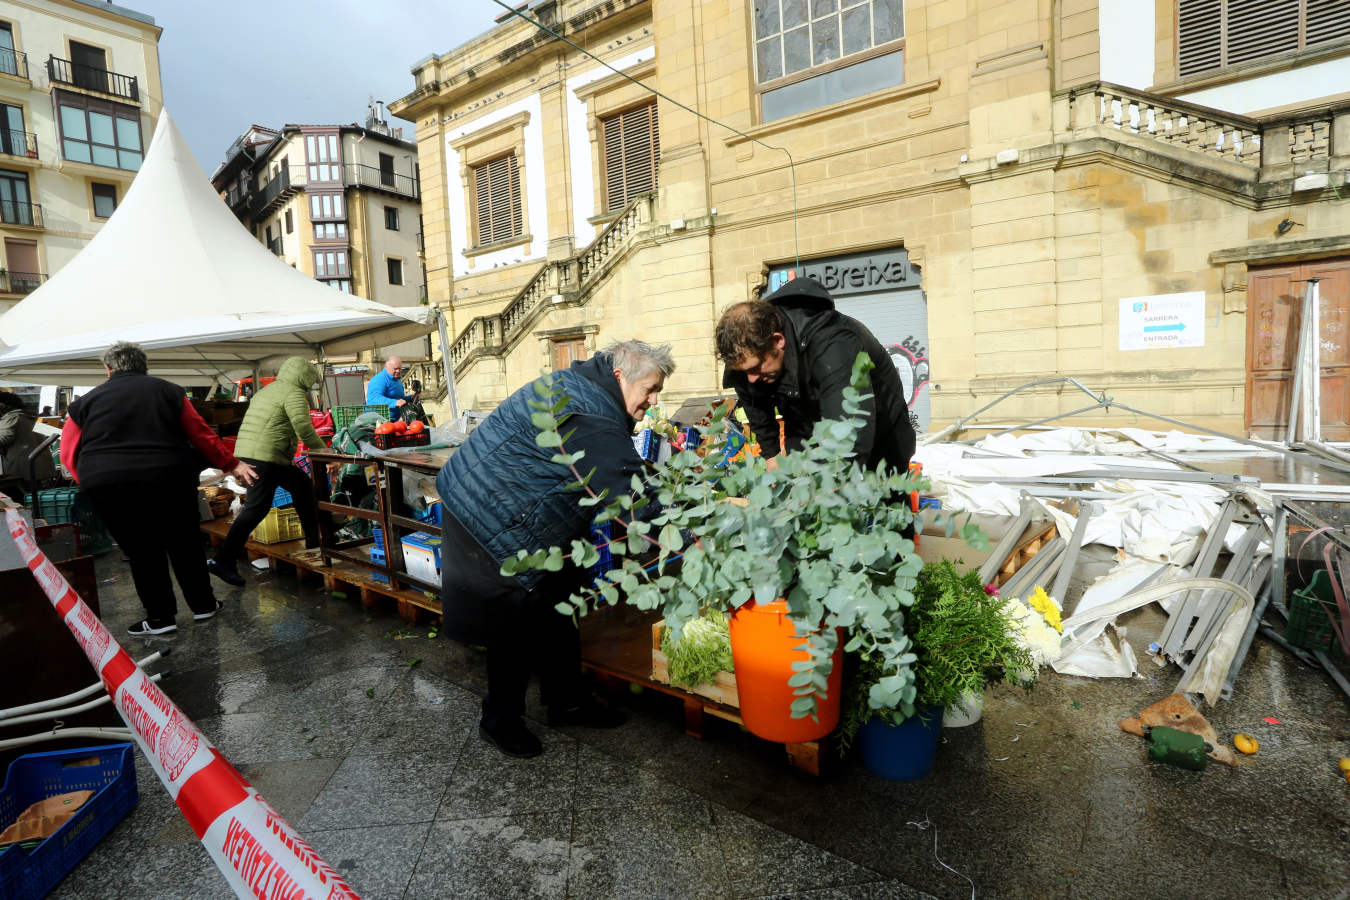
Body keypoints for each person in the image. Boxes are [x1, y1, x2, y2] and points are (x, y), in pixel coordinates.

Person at [436, 340, 673, 758]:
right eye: (650, 389)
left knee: (562, 594)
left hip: (509, 500)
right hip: (490, 512)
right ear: (621, 377)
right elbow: (631, 501)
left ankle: (567, 700)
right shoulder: (591, 413)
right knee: (513, 614)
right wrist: (691, 533)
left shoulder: (585, 385)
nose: (653, 402)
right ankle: (499, 720)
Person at [60, 342, 258, 636]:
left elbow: (67, 452)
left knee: (141, 551)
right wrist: (230, 463)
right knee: (185, 543)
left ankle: (160, 619)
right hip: (169, 478)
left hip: (109, 484)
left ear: (108, 368)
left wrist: (91, 481)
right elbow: (200, 433)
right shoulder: (169, 391)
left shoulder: (85, 402)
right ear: (145, 365)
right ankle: (203, 605)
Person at [716, 277, 917, 476]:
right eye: (745, 372)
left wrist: (828, 487)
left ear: (778, 341)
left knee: (878, 494)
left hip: (879, 428)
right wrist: (772, 455)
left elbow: (850, 430)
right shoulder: (746, 355)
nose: (751, 378)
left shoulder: (833, 344)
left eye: (756, 368)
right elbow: (755, 403)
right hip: (806, 420)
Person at [208, 357, 333, 587]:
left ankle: (315, 542)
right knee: (256, 509)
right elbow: (304, 428)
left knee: (302, 486)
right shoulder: (293, 392)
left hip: (260, 455)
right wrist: (326, 453)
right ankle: (223, 560)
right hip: (263, 458)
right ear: (304, 377)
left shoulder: (268, 390)